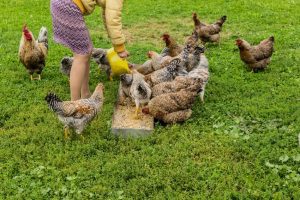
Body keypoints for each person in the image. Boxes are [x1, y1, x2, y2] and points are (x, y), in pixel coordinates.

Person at [50, 0, 129, 100]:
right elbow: (113, 19)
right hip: (68, 6)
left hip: (61, 3)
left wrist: (115, 42)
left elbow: (108, 14)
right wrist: (120, 48)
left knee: (87, 51)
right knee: (81, 56)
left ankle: (85, 94)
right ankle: (75, 103)